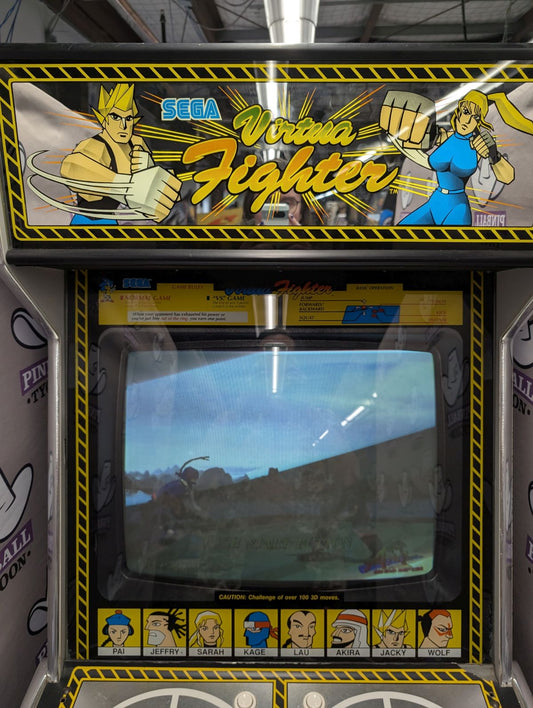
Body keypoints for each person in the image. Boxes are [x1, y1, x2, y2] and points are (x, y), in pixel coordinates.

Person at [380, 89, 533, 226]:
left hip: (457, 208)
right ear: (459, 111)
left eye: (475, 117)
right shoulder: (446, 137)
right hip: (435, 201)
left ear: (479, 121)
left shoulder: (477, 144)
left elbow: (508, 177)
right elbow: (424, 157)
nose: (468, 120)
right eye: (466, 112)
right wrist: (400, 141)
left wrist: (494, 155)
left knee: (453, 248)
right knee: (402, 236)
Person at [59, 83, 181, 224]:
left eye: (128, 119)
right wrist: (128, 187)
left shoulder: (137, 143)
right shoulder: (98, 143)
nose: (123, 125)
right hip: (89, 221)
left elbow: (151, 195)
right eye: (116, 118)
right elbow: (71, 167)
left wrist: (151, 177)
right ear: (105, 120)